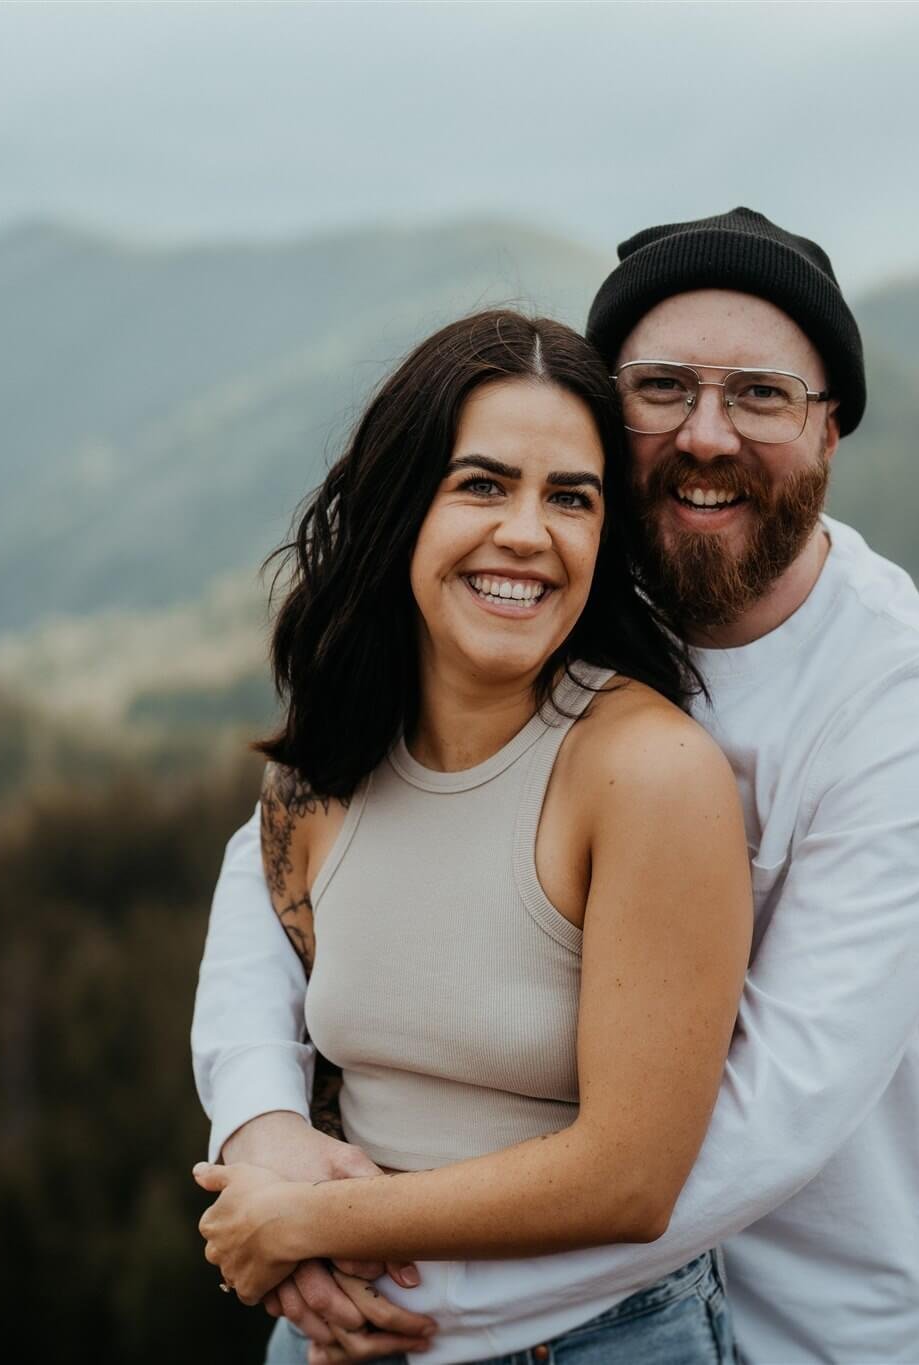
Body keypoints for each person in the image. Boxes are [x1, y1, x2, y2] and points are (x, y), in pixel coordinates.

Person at [194, 208, 919, 1364]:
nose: (707, 435)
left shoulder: (909, 707)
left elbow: (757, 1123)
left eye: (763, 396)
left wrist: (358, 1271)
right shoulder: (556, 595)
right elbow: (278, 865)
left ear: (832, 431)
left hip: (809, 1331)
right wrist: (262, 1124)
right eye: (661, 387)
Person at [193, 309, 754, 1362]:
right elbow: (258, 1002)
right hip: (336, 1336)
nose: (527, 534)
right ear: (402, 508)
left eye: (571, 499)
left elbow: (631, 1177)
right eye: (482, 485)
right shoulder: (325, 772)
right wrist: (268, 1163)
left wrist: (302, 1224)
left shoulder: (645, 773)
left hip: (590, 1343)